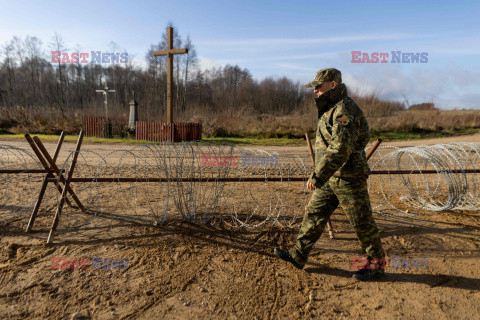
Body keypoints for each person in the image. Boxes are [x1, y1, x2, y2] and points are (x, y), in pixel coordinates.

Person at [274, 68, 385, 281]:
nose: (315, 90)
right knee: (314, 214)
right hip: (331, 177)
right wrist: (322, 176)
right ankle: (298, 255)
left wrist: (317, 176)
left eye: (318, 85)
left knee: (362, 221)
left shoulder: (345, 109)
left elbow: (340, 148)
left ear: (332, 85)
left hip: (348, 177)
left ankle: (377, 266)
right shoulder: (330, 109)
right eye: (314, 87)